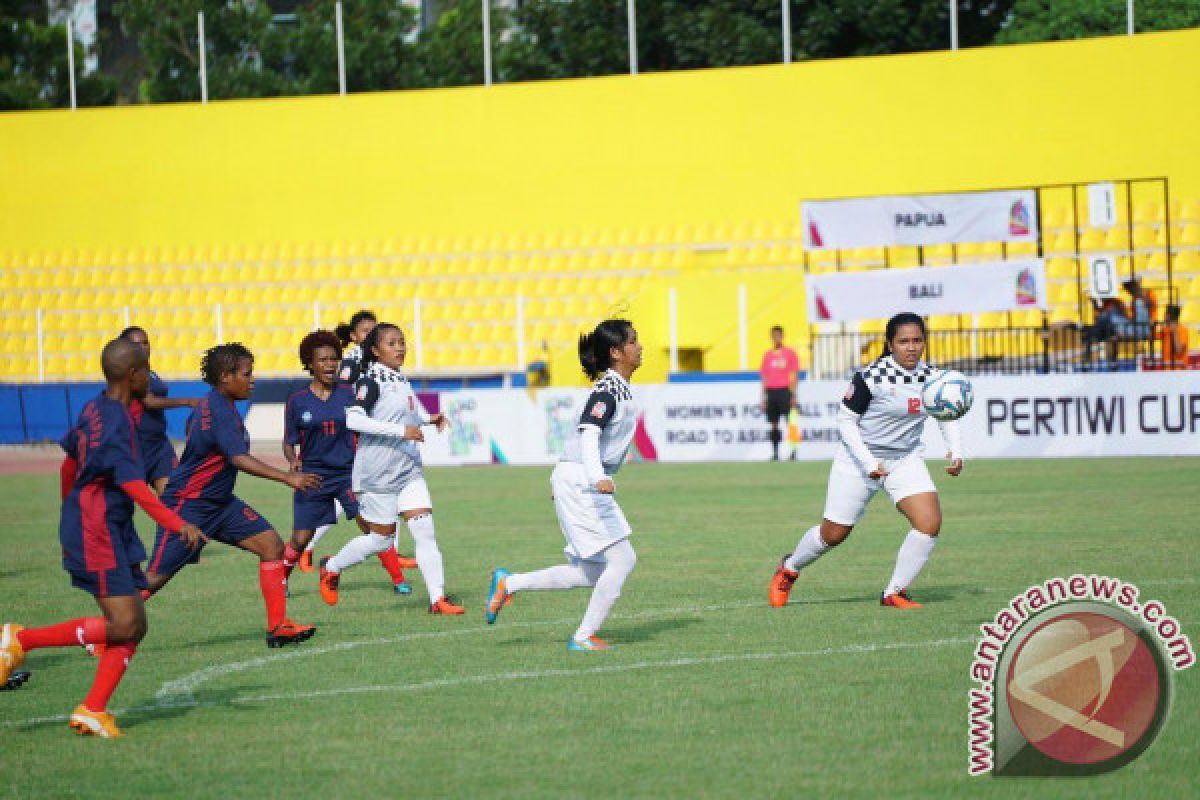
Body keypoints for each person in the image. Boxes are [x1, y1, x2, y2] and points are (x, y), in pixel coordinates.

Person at [1, 338, 205, 737]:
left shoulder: (98, 407)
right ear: (132, 375)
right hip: (97, 530)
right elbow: (137, 488)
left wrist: (68, 514)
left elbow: (68, 464)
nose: (152, 375)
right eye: (146, 369)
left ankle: (93, 708)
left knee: (132, 624)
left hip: (106, 525)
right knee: (126, 622)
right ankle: (21, 640)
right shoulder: (114, 425)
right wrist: (177, 524)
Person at [768, 312, 964, 610]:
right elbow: (845, 422)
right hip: (858, 460)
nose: (911, 347)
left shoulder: (933, 378)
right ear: (889, 344)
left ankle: (894, 592)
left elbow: (947, 413)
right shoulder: (872, 377)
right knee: (833, 534)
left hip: (904, 458)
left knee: (929, 522)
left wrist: (955, 449)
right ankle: (790, 567)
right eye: (903, 341)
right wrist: (869, 462)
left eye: (917, 340)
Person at [143, 343, 322, 648]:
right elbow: (238, 459)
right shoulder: (218, 410)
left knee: (271, 545)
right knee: (155, 579)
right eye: (247, 374)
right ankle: (103, 633)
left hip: (220, 504)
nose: (253, 379)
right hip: (190, 507)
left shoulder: (216, 405)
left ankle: (278, 626)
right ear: (226, 377)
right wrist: (286, 477)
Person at [485, 319, 643, 651]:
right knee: (623, 560)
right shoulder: (607, 390)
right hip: (583, 480)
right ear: (615, 352)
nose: (639, 347)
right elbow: (590, 432)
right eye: (632, 342)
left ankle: (509, 583)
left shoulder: (620, 388)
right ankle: (582, 637)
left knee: (592, 571)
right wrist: (597, 475)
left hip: (576, 478)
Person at [318, 323, 463, 615]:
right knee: (380, 540)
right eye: (392, 343)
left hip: (408, 470)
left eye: (402, 342)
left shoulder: (399, 378)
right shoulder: (370, 381)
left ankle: (437, 599)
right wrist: (402, 431)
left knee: (424, 531)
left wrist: (426, 420)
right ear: (374, 350)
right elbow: (354, 420)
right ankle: (331, 567)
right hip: (377, 473)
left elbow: (404, 415)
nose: (400, 347)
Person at [281, 330, 415, 593]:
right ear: (309, 363)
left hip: (350, 473)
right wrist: (293, 461)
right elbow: (288, 441)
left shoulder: (349, 393)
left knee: (372, 526)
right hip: (313, 476)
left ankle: (398, 580)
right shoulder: (297, 401)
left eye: (334, 359)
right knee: (301, 537)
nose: (330, 365)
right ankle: (282, 579)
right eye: (323, 360)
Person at [118, 326, 201, 493]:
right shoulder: (127, 374)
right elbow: (149, 402)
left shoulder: (151, 373)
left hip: (159, 445)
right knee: (123, 506)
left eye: (146, 342)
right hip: (136, 446)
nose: (143, 347)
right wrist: (188, 401)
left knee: (172, 500)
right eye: (137, 344)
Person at [759, 326, 800, 461]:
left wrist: (793, 395)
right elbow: (764, 378)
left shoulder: (790, 353)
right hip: (771, 392)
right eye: (774, 335)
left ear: (782, 336)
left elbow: (793, 376)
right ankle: (775, 453)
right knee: (774, 423)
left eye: (778, 335)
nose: (776, 338)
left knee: (791, 422)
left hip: (785, 391)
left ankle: (793, 452)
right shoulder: (768, 355)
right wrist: (763, 397)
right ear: (771, 337)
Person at [335, 309, 378, 387]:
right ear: (354, 336)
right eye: (365, 331)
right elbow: (343, 384)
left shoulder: (381, 354)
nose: (371, 334)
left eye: (374, 331)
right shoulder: (351, 358)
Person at [1156, 304, 1190, 370]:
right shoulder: (1165, 329)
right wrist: (1153, 326)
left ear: (1169, 316)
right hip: (1166, 369)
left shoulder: (1183, 330)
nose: (1164, 316)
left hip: (1179, 370)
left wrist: (1174, 332)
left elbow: (1179, 350)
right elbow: (1152, 337)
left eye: (1165, 313)